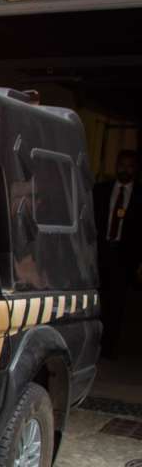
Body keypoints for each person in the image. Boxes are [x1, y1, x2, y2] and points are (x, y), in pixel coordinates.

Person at [94, 150, 139, 358]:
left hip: (124, 257)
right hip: (100, 253)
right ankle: (93, 344)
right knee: (98, 301)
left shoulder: (138, 196)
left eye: (130, 166)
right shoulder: (101, 191)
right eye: (122, 165)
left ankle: (109, 348)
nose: (125, 169)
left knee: (116, 305)